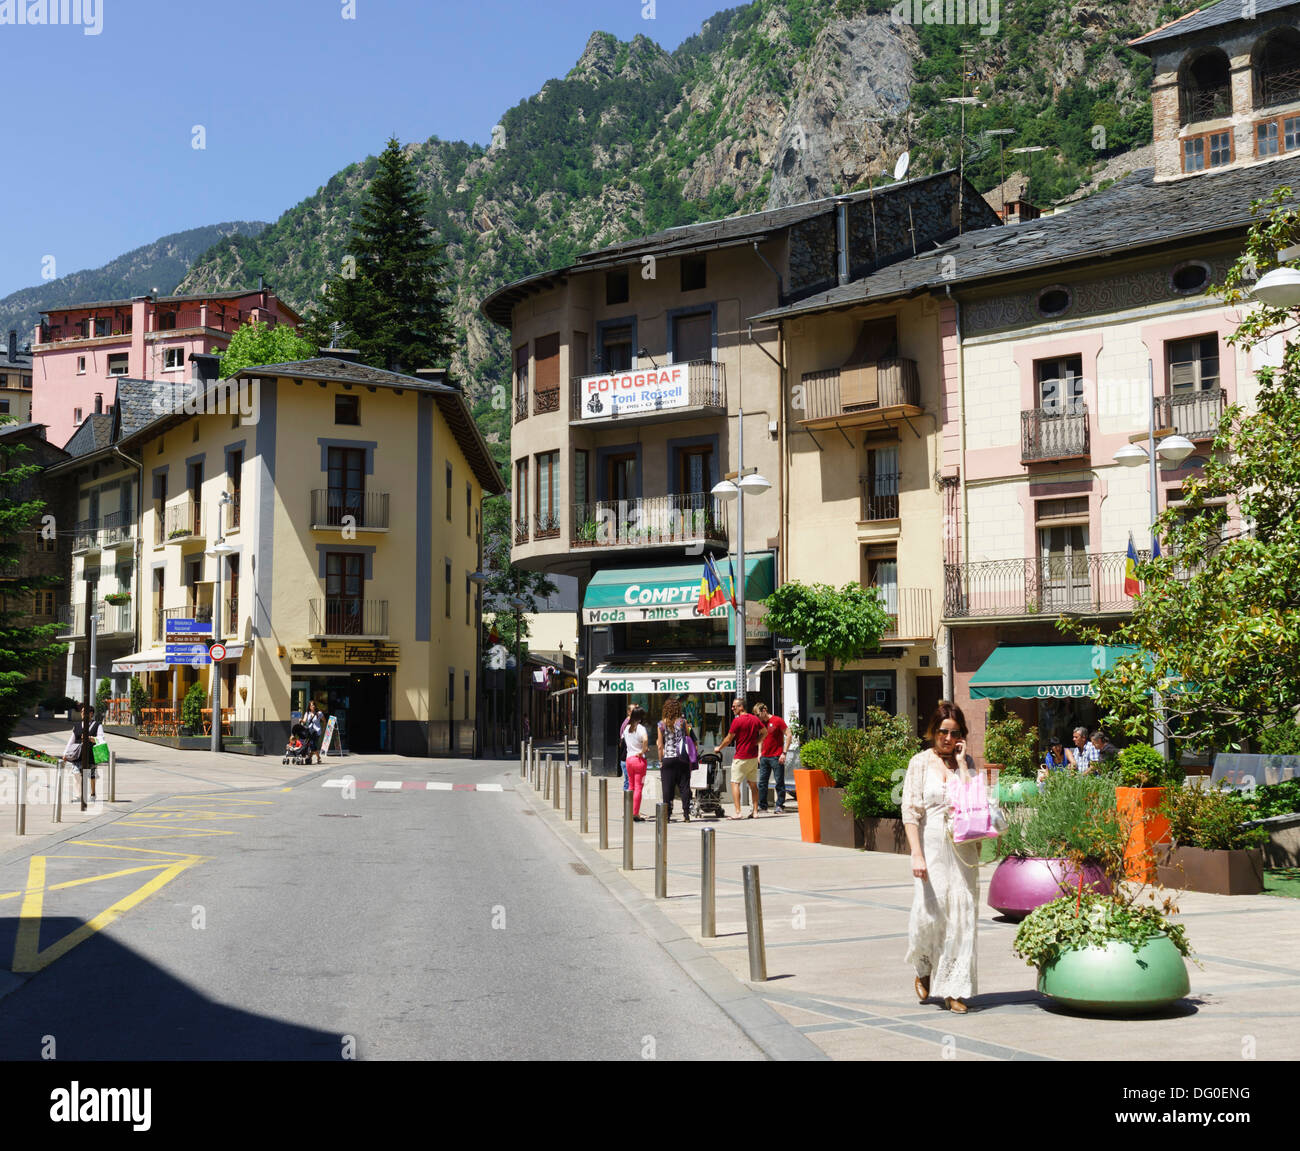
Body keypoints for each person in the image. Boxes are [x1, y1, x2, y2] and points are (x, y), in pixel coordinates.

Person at [902, 701, 982, 1014]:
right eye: (943, 732)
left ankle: (954, 989)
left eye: (955, 733)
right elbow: (910, 811)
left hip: (962, 850)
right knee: (928, 915)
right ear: (933, 732)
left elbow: (975, 803)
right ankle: (923, 966)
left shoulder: (967, 762)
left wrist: (962, 766)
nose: (948, 738)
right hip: (931, 846)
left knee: (962, 917)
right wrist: (916, 854)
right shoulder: (919, 763)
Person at [717, 697, 766, 820]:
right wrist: (757, 742)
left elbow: (729, 739)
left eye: (734, 706)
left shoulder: (737, 721)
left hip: (741, 757)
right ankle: (755, 811)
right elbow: (765, 732)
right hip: (753, 757)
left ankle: (738, 812)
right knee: (753, 784)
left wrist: (719, 748)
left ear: (741, 707)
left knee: (735, 783)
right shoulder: (754, 719)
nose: (732, 708)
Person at [657, 697, 692, 822]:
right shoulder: (683, 722)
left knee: (667, 787)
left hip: (668, 758)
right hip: (682, 758)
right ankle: (686, 814)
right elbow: (688, 738)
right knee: (684, 786)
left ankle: (667, 815)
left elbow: (660, 745)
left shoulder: (661, 724)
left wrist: (660, 760)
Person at [63, 704, 105, 802]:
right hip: (78, 754)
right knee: (76, 773)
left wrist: (90, 738)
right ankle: (78, 795)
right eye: (81, 712)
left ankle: (93, 794)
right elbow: (71, 740)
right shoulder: (77, 726)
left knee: (91, 774)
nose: (82, 714)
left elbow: (101, 739)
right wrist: (65, 753)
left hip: (91, 754)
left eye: (84, 712)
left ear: (91, 714)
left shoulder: (97, 725)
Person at [755, 703, 789, 813]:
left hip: (776, 756)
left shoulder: (777, 720)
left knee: (779, 781)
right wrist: (759, 753)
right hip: (765, 756)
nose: (758, 717)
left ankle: (779, 805)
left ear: (764, 710)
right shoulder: (761, 723)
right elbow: (761, 738)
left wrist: (784, 753)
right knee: (762, 782)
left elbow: (789, 734)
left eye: (758, 714)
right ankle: (762, 806)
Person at [623, 706, 650, 822]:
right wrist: (643, 750)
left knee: (631, 786)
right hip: (639, 760)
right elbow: (645, 740)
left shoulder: (627, 728)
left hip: (629, 759)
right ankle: (635, 813)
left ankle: (629, 811)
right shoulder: (640, 728)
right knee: (639, 787)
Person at [304, 701, 323, 765]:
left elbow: (324, 720)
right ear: (309, 707)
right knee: (312, 745)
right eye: (312, 705)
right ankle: (318, 758)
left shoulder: (319, 713)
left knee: (313, 744)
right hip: (310, 731)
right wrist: (301, 720)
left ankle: (313, 757)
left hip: (317, 731)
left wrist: (324, 728)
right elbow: (304, 720)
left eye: (314, 705)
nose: (313, 706)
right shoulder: (307, 713)